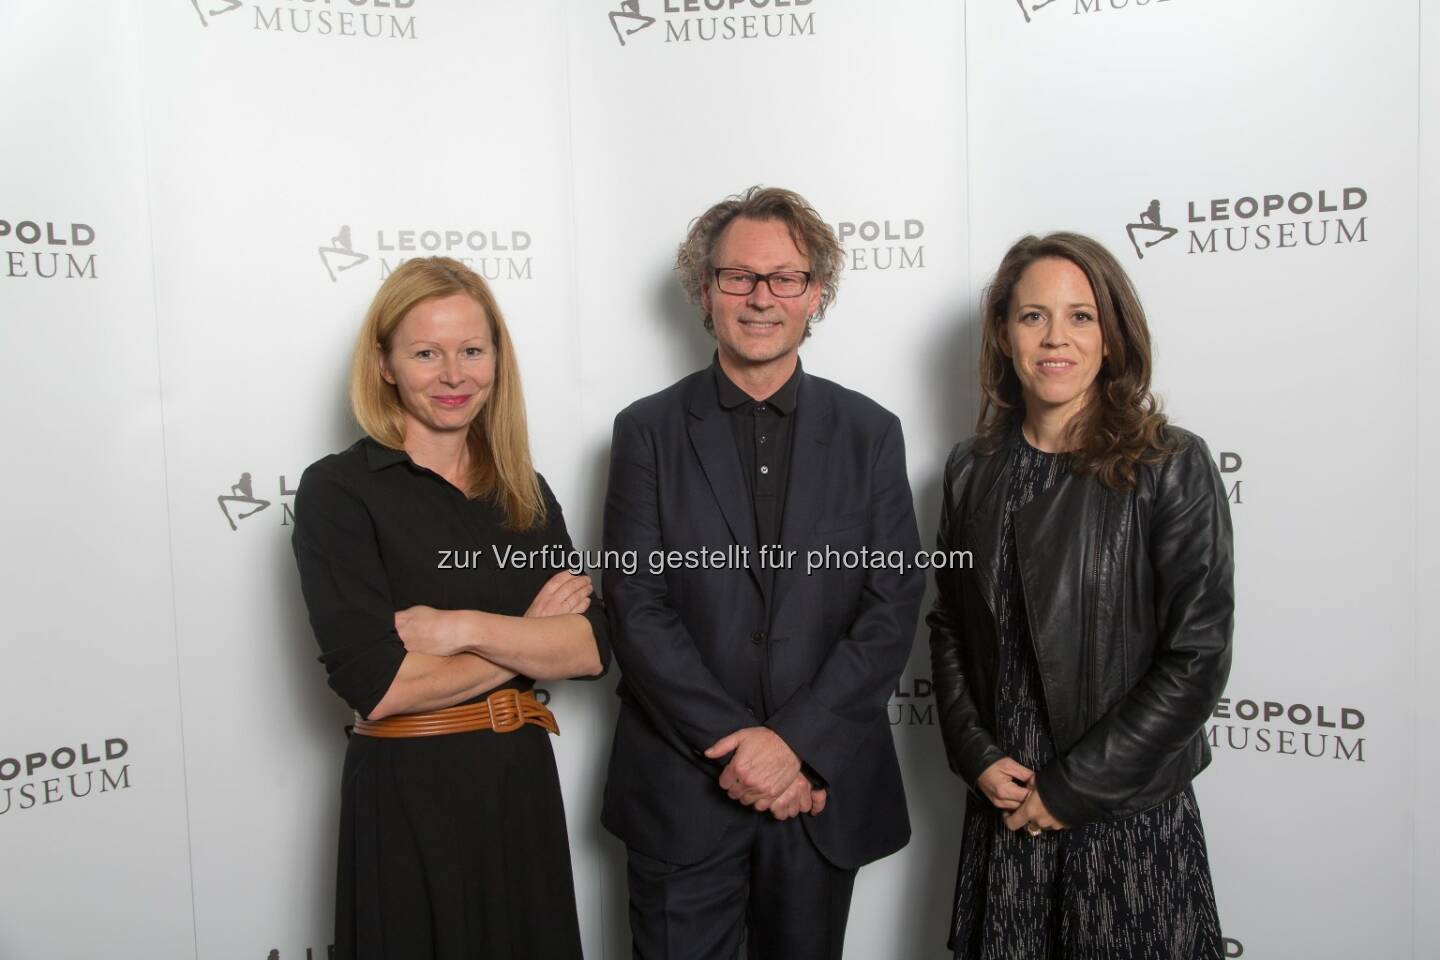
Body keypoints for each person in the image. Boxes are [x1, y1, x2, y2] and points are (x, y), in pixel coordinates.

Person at [601, 185, 925, 959]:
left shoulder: (869, 433)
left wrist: (795, 747)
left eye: (784, 278)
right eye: (737, 277)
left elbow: (892, 602)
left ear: (816, 295)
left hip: (815, 794)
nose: (759, 298)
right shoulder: (645, 431)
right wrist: (741, 745)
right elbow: (636, 605)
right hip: (681, 796)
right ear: (704, 291)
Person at [291, 256, 608, 960]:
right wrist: (530, 639)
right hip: (409, 799)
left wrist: (465, 630)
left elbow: (589, 649)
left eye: (471, 350)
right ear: (385, 364)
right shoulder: (339, 492)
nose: (454, 374)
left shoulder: (522, 487)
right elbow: (382, 686)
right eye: (426, 353)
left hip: (521, 789)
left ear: (496, 359)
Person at [928, 232, 1232, 959]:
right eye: (1033, 317)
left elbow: (1195, 658)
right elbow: (948, 628)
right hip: (1007, 804)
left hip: (1123, 814)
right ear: (1004, 334)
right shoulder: (972, 469)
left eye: (1080, 316)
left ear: (1112, 334)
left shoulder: (1171, 465)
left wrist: (1069, 791)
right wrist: (974, 752)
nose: (1055, 338)